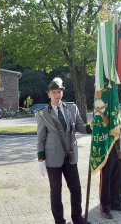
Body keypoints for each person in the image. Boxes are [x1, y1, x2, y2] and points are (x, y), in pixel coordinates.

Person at [36, 77, 91, 224]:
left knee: (76, 189)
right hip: (53, 158)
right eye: (54, 92)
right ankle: (59, 221)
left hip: (70, 156)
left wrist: (93, 127)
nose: (57, 94)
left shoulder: (72, 108)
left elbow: (80, 126)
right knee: (56, 192)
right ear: (49, 94)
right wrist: (41, 159)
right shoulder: (43, 114)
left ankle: (77, 218)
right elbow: (40, 139)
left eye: (59, 91)